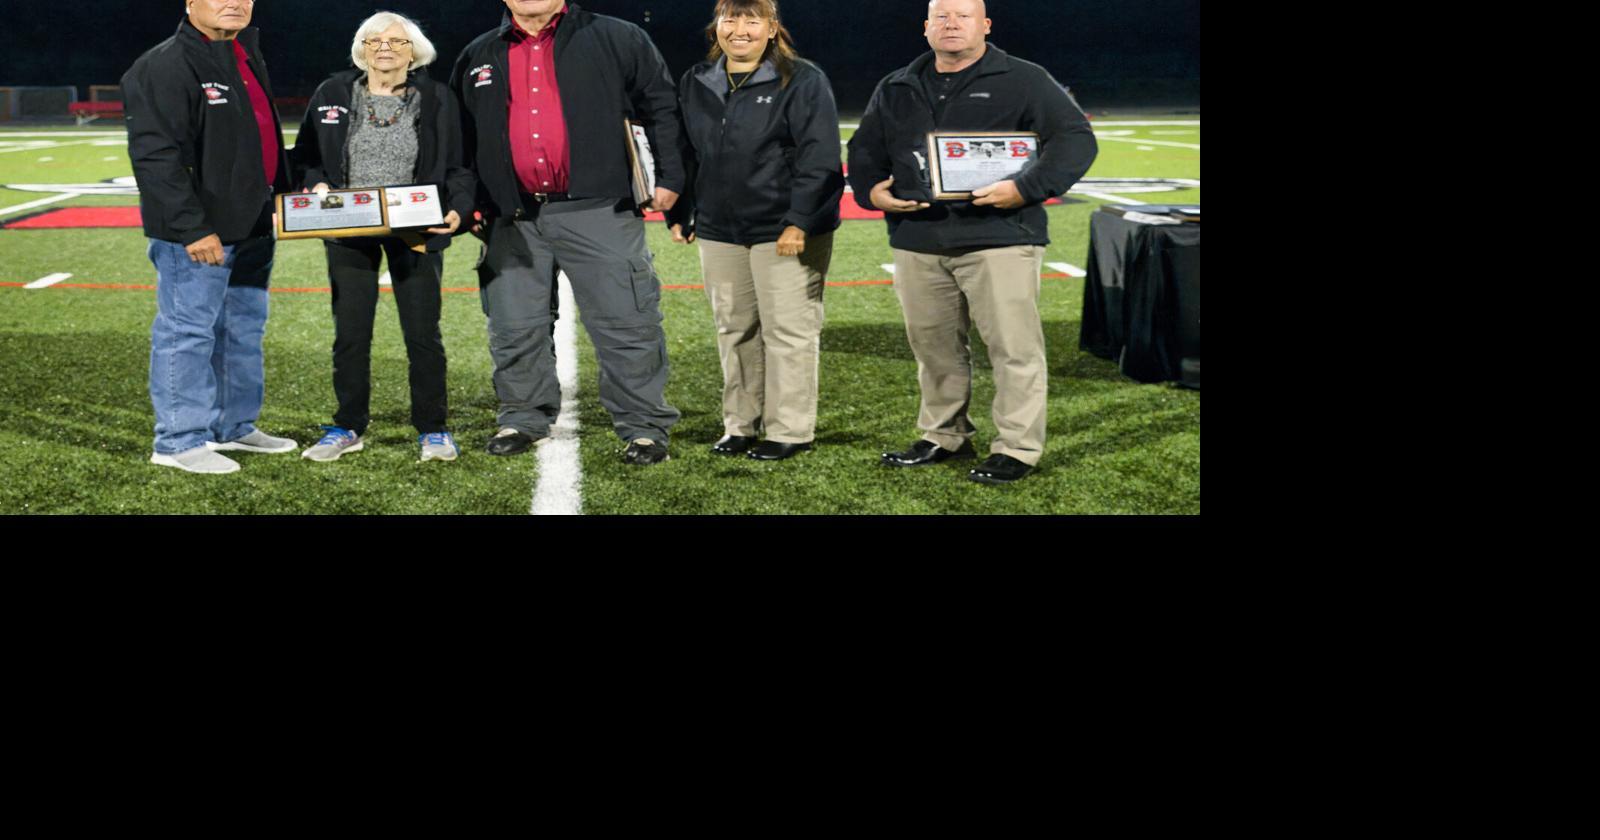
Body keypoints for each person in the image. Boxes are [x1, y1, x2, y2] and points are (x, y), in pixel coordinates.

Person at [846, 0, 1097, 485]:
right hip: (919, 237)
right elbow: (865, 147)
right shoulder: (897, 84)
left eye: (963, 16)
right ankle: (943, 434)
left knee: (1012, 348)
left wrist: (1025, 188)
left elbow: (1075, 139)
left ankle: (1018, 448)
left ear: (985, 25)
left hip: (1000, 236)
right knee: (934, 348)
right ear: (926, 28)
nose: (951, 24)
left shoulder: (1025, 78)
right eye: (941, 16)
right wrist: (872, 190)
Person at [450, 0, 686, 465]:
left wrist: (671, 177)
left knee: (626, 322)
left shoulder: (617, 37)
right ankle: (522, 415)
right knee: (514, 326)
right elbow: (463, 137)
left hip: (600, 206)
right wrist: (471, 202)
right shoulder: (479, 53)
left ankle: (643, 426)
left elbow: (661, 106)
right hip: (511, 216)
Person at [290, 11, 475, 463]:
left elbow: (459, 164)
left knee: (422, 334)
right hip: (349, 227)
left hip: (415, 227)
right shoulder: (333, 92)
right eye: (375, 41)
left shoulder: (438, 97)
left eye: (396, 40)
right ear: (362, 48)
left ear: (414, 50)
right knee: (351, 333)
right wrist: (315, 184)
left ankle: (432, 428)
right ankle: (348, 425)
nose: (385, 48)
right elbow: (307, 157)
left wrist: (459, 210)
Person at [123, 0, 296, 474]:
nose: (234, 3)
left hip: (254, 224)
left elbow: (256, 139)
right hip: (201, 232)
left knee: (241, 330)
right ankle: (178, 440)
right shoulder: (165, 64)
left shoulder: (242, 53)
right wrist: (192, 228)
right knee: (187, 334)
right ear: (189, 3)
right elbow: (155, 157)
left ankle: (233, 426)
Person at [666, 0, 844, 462]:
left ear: (772, 29)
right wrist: (682, 212)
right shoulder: (697, 80)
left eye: (752, 20)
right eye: (731, 19)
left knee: (788, 331)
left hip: (782, 227)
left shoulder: (802, 79)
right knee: (735, 328)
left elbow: (820, 158)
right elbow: (688, 152)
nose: (740, 29)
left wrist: (799, 221)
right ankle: (740, 425)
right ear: (716, 28)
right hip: (720, 228)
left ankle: (789, 429)